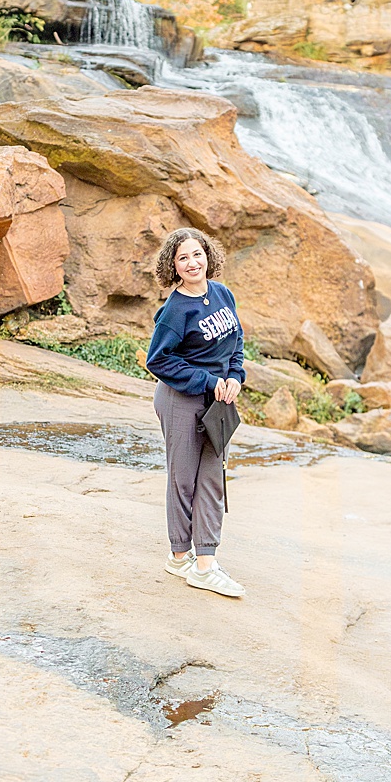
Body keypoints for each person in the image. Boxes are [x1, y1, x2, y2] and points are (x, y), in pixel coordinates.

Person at [145, 226, 245, 599]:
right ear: (173, 266)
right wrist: (207, 380)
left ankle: (205, 561)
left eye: (197, 254)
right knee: (183, 480)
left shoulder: (222, 294)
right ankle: (179, 556)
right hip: (181, 401)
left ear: (208, 256)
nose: (192, 263)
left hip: (218, 403)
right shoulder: (174, 310)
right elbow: (158, 360)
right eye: (183, 257)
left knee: (212, 480)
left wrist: (235, 376)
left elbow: (236, 341)